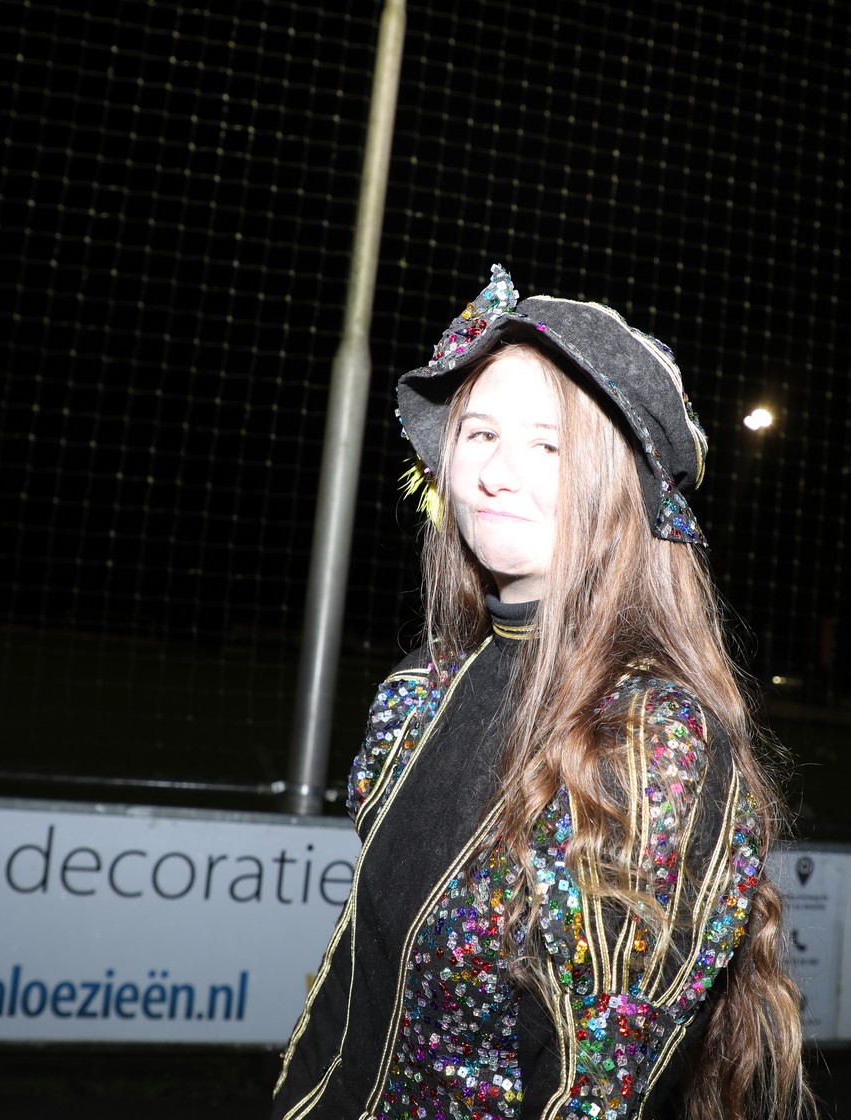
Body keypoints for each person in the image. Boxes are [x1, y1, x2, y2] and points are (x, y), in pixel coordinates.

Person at [272, 264, 813, 1120]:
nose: (497, 472)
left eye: (549, 445)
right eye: (480, 432)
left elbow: (593, 1089)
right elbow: (353, 992)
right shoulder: (418, 694)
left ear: (619, 486)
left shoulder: (653, 743)